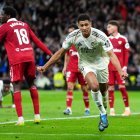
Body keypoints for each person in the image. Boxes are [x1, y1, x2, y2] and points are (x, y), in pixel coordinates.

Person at [37, 14, 128, 132]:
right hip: (85, 64)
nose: (84, 27)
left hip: (101, 64)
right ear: (78, 26)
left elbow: (111, 54)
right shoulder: (73, 36)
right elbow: (60, 52)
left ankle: (104, 108)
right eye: (81, 25)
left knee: (104, 91)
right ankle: (103, 114)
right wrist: (45, 66)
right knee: (94, 86)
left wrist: (120, 71)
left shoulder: (100, 35)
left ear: (91, 24)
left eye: (86, 25)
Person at [0, 6, 53, 126]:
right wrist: (51, 54)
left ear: (8, 16)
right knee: (31, 85)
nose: (0, 16)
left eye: (2, 14)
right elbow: (37, 41)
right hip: (29, 57)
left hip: (17, 59)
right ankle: (37, 116)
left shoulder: (4, 27)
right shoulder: (25, 25)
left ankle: (20, 119)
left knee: (16, 87)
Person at [62, 24, 90, 115]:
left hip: (82, 69)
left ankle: (87, 109)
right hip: (71, 68)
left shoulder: (84, 41)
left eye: (72, 32)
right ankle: (68, 109)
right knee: (70, 87)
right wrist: (65, 67)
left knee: (84, 89)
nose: (70, 34)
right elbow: (66, 55)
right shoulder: (68, 42)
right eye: (69, 32)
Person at [107, 20, 131, 116]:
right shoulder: (107, 40)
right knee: (111, 88)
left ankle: (127, 109)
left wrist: (124, 67)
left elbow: (126, 54)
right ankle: (112, 110)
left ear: (115, 27)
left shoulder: (123, 39)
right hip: (109, 68)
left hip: (120, 69)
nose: (107, 29)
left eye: (109, 27)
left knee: (122, 87)